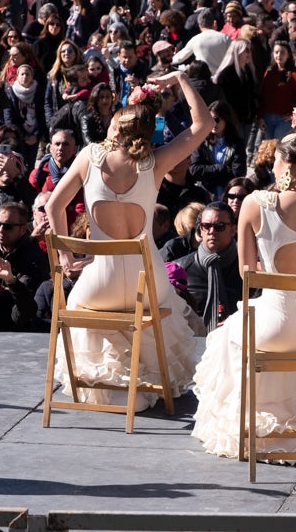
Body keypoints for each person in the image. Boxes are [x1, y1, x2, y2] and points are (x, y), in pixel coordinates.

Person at [191, 67, 296, 461]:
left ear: (284, 163)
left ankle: (255, 423)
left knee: (231, 332)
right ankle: (284, 416)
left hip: (282, 327)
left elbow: (248, 275)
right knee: (254, 321)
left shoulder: (255, 204)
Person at [45, 70, 213, 409]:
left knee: (77, 305)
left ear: (117, 128)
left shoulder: (89, 157)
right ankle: (151, 377)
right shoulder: (156, 161)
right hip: (147, 282)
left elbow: (53, 205)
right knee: (167, 303)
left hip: (99, 283)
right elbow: (204, 124)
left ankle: (103, 378)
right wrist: (181, 78)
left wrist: (65, 257)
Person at [176, 202, 243, 332]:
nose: (212, 232)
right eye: (206, 226)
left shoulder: (247, 267)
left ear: (233, 230)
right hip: (194, 345)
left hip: (238, 341)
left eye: (220, 226)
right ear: (201, 230)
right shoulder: (181, 269)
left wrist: (235, 322)